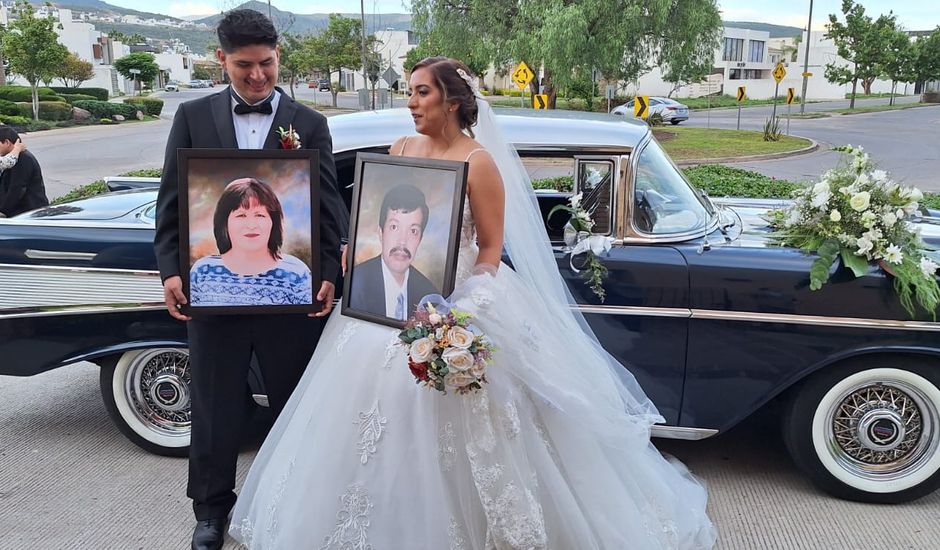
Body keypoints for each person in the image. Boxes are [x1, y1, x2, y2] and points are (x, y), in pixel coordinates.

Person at [230, 58, 716, 549]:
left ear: (452, 102)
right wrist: (356, 251)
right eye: (410, 91)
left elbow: (488, 249)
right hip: (381, 305)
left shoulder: (478, 162)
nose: (411, 102)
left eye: (422, 93)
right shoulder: (401, 148)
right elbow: (375, 224)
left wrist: (457, 313)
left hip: (456, 302)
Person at [151, 9, 346, 550]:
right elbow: (172, 202)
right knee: (214, 406)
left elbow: (330, 206)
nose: (257, 76)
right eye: (244, 66)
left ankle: (290, 504)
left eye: (265, 64)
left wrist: (328, 271)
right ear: (222, 60)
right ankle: (211, 513)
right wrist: (171, 269)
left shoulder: (309, 123)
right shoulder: (192, 115)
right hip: (212, 295)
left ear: (279, 55)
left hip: (292, 297)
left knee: (293, 405)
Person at [189, 177, 313, 306]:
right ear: (224, 223)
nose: (251, 225)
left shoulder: (297, 273)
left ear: (273, 222)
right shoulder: (202, 271)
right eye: (241, 215)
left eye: (260, 215)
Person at [347, 183, 438, 320]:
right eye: (394, 227)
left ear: (420, 239)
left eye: (413, 231)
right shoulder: (357, 283)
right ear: (380, 233)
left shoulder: (429, 293)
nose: (402, 241)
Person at [0, 129, 47, 218]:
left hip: (28, 214)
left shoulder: (23, 159)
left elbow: (17, 188)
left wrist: (3, 211)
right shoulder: (13, 158)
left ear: (7, 142)